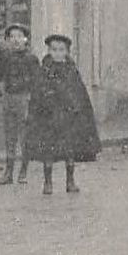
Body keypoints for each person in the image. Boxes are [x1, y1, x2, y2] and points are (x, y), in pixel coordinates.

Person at [26, 34, 101, 195]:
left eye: (61, 50)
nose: (57, 54)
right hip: (49, 117)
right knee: (48, 151)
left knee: (69, 150)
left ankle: (70, 180)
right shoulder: (44, 70)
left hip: (68, 117)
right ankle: (47, 182)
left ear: (66, 52)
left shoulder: (71, 70)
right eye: (54, 50)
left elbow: (79, 93)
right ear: (49, 51)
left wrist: (77, 110)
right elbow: (37, 92)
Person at [0, 24, 40, 185]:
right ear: (8, 40)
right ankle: (8, 173)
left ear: (26, 39)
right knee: (9, 137)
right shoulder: (6, 58)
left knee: (24, 137)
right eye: (12, 37)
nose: (16, 40)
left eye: (19, 36)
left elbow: (37, 81)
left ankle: (23, 171)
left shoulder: (31, 59)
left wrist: (33, 100)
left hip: (24, 99)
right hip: (8, 99)